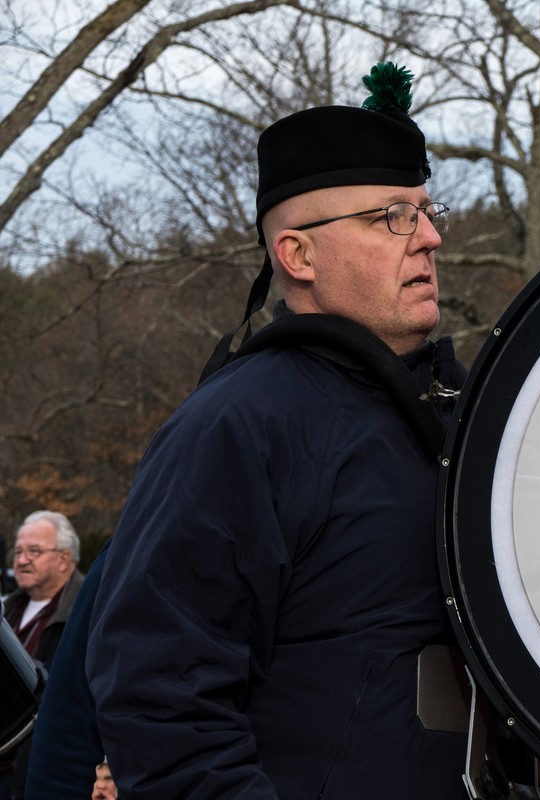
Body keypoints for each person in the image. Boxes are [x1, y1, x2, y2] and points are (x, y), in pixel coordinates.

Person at [82, 61, 469, 798]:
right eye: (392, 216)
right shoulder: (238, 425)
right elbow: (160, 701)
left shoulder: (471, 417)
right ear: (298, 254)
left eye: (426, 210)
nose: (429, 240)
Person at [0, 510, 85, 799]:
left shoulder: (89, 611)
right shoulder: (9, 608)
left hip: (46, 774)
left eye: (34, 551)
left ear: (64, 559)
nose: (22, 560)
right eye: (19, 551)